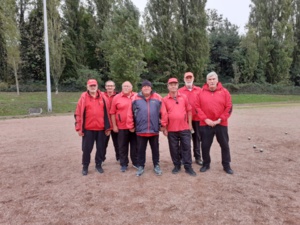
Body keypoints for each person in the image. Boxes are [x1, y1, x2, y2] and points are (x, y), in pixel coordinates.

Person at [195, 71, 234, 174]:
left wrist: (220, 119)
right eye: (210, 79)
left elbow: (229, 107)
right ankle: (206, 164)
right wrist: (206, 119)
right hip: (205, 124)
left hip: (221, 123)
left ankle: (226, 165)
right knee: (205, 146)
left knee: (224, 145)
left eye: (213, 79)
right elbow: (197, 107)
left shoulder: (225, 92)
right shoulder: (200, 92)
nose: (212, 81)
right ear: (207, 81)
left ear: (217, 80)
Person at [127, 80, 168, 177]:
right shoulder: (135, 98)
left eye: (148, 86)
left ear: (151, 88)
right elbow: (130, 113)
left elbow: (164, 112)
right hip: (141, 130)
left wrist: (163, 124)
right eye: (144, 86)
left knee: (155, 149)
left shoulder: (157, 98)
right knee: (140, 150)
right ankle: (141, 166)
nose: (146, 88)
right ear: (142, 88)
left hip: (154, 130)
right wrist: (130, 126)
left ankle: (156, 165)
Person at [74, 79, 111, 176]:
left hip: (101, 128)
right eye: (91, 85)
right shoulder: (83, 97)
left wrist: (108, 127)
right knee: (86, 149)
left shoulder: (103, 97)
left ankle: (98, 165)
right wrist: (78, 128)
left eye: (94, 85)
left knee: (101, 148)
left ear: (97, 86)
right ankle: (85, 166)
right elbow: (78, 113)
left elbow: (108, 113)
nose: (93, 87)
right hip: (88, 129)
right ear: (87, 86)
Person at [162, 78, 197, 176]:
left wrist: (190, 124)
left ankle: (188, 166)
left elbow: (189, 110)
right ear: (168, 86)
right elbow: (164, 115)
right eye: (171, 84)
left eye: (175, 84)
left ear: (177, 86)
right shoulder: (164, 99)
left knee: (186, 147)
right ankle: (177, 165)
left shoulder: (184, 97)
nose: (173, 86)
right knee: (174, 148)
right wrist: (164, 128)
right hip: (171, 129)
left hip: (184, 128)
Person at [110, 81, 138, 172]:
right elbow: (113, 113)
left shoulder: (136, 96)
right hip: (121, 126)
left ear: (131, 87)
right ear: (122, 87)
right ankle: (123, 164)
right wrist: (114, 125)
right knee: (122, 146)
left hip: (134, 127)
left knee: (135, 146)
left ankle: (135, 162)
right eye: (124, 86)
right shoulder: (116, 98)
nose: (126, 88)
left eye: (128, 86)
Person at [178, 72, 203, 165]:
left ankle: (197, 157)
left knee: (197, 138)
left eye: (190, 77)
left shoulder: (199, 90)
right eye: (187, 77)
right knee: (184, 139)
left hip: (196, 119)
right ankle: (182, 157)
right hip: (184, 119)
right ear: (184, 79)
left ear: (193, 78)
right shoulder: (180, 91)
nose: (188, 79)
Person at [103, 80, 119, 162]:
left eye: (111, 86)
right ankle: (102, 158)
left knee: (118, 143)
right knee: (103, 143)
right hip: (105, 123)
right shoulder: (101, 96)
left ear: (114, 87)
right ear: (105, 87)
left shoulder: (118, 95)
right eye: (108, 86)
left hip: (116, 123)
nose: (110, 87)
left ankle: (119, 158)